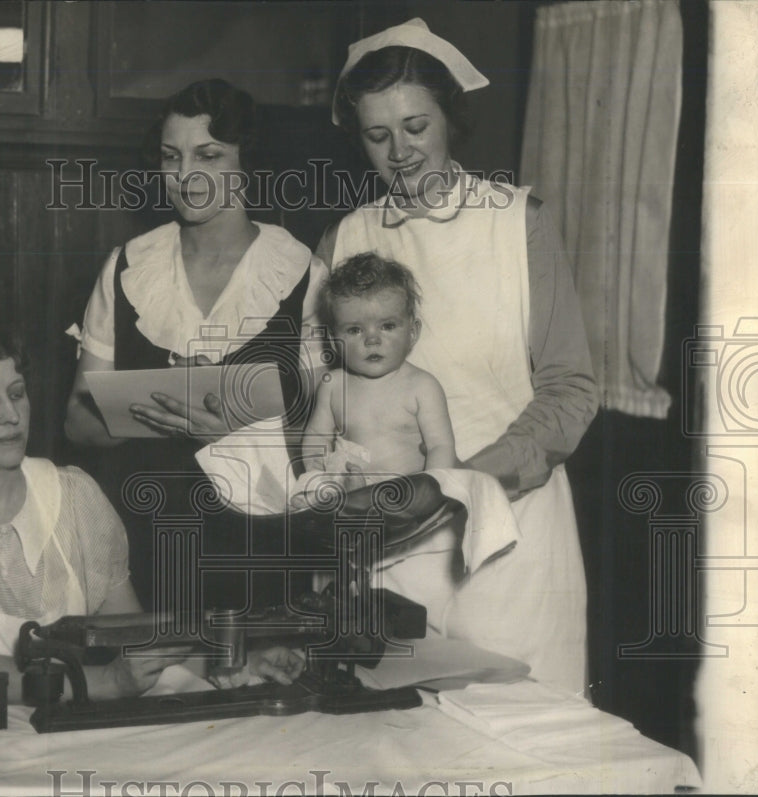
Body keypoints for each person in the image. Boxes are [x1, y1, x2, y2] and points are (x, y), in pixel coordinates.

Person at [317, 18, 600, 694]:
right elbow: (320, 395)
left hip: (509, 542)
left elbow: (570, 391)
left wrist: (459, 484)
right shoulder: (344, 240)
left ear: (449, 117)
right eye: (377, 136)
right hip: (386, 551)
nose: (400, 152)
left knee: (518, 735)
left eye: (416, 126)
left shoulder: (517, 223)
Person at [0, 317, 303, 704]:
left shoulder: (74, 496)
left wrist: (231, 663)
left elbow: (135, 638)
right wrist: (105, 683)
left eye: (17, 394)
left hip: (63, 720)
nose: (11, 415)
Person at [65, 79, 327, 612]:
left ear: (246, 161)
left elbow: (328, 435)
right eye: (171, 156)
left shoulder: (303, 273)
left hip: (261, 547)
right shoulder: (127, 266)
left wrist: (241, 429)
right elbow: (76, 422)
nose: (186, 176)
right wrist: (159, 409)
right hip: (141, 547)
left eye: (208, 155)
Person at [294, 252, 456, 508]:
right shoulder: (333, 385)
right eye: (355, 330)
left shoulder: (422, 387)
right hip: (344, 486)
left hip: (403, 494)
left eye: (387, 326)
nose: (372, 340)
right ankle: (333, 500)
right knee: (308, 491)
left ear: (412, 332)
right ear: (335, 341)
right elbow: (316, 434)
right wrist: (315, 467)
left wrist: (431, 489)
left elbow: (440, 446)